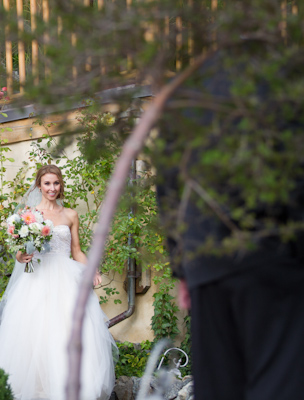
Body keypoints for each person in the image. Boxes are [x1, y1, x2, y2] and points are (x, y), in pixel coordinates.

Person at [155, 40, 304, 400]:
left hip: (207, 261)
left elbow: (169, 184)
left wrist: (181, 266)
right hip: (275, 252)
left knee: (220, 386)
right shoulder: (285, 81)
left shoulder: (188, 92)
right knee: (279, 381)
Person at [0, 164, 116, 400]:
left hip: (66, 278)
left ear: (61, 185)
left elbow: (76, 251)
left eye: (56, 183)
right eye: (47, 183)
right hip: (37, 279)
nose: (52, 188)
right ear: (39, 185)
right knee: (34, 334)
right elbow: (19, 250)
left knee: (66, 334)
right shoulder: (28, 215)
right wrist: (20, 256)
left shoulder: (70, 215)